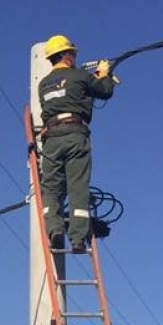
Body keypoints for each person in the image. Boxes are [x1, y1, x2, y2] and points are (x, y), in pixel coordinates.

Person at [37, 35, 119, 253]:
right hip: (75, 134)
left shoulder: (43, 84)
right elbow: (105, 91)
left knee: (51, 188)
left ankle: (54, 229)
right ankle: (77, 239)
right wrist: (104, 74)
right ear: (66, 55)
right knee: (77, 187)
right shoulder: (79, 76)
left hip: (52, 139)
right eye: (73, 53)